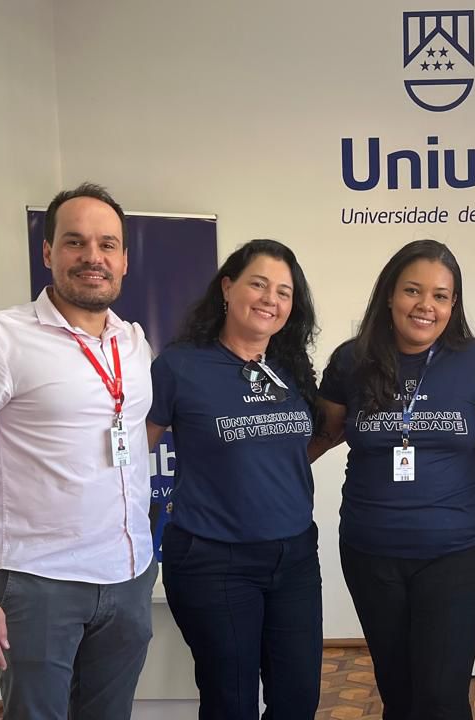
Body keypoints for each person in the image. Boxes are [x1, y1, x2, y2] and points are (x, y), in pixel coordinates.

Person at [0, 183, 157, 720]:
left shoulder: (134, 343)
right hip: (37, 583)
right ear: (47, 252)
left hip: (128, 576)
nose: (93, 256)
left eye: (107, 245)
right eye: (75, 242)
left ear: (124, 260)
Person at [311, 239, 475, 720]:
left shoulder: (473, 362)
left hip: (457, 556)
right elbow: (319, 438)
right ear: (390, 293)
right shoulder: (351, 361)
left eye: (440, 295)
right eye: (413, 290)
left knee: (442, 698)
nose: (426, 305)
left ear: (454, 304)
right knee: (399, 694)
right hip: (370, 554)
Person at [148, 239, 322, 720]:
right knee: (232, 704)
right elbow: (132, 450)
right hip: (213, 560)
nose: (271, 299)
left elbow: (297, 446)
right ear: (227, 287)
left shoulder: (290, 368)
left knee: (298, 700)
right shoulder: (179, 366)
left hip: (294, 557)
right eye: (259, 284)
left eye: (284, 292)